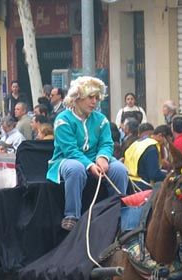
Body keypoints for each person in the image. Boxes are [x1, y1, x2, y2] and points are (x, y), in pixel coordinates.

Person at [46, 76, 129, 231]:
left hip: (96, 158)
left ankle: (119, 212)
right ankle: (72, 215)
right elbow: (70, 150)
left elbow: (106, 143)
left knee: (120, 170)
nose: (94, 102)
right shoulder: (62, 119)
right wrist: (90, 165)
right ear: (77, 98)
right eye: (90, 97)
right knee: (76, 168)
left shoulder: (101, 119)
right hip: (65, 159)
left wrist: (103, 158)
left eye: (97, 98)